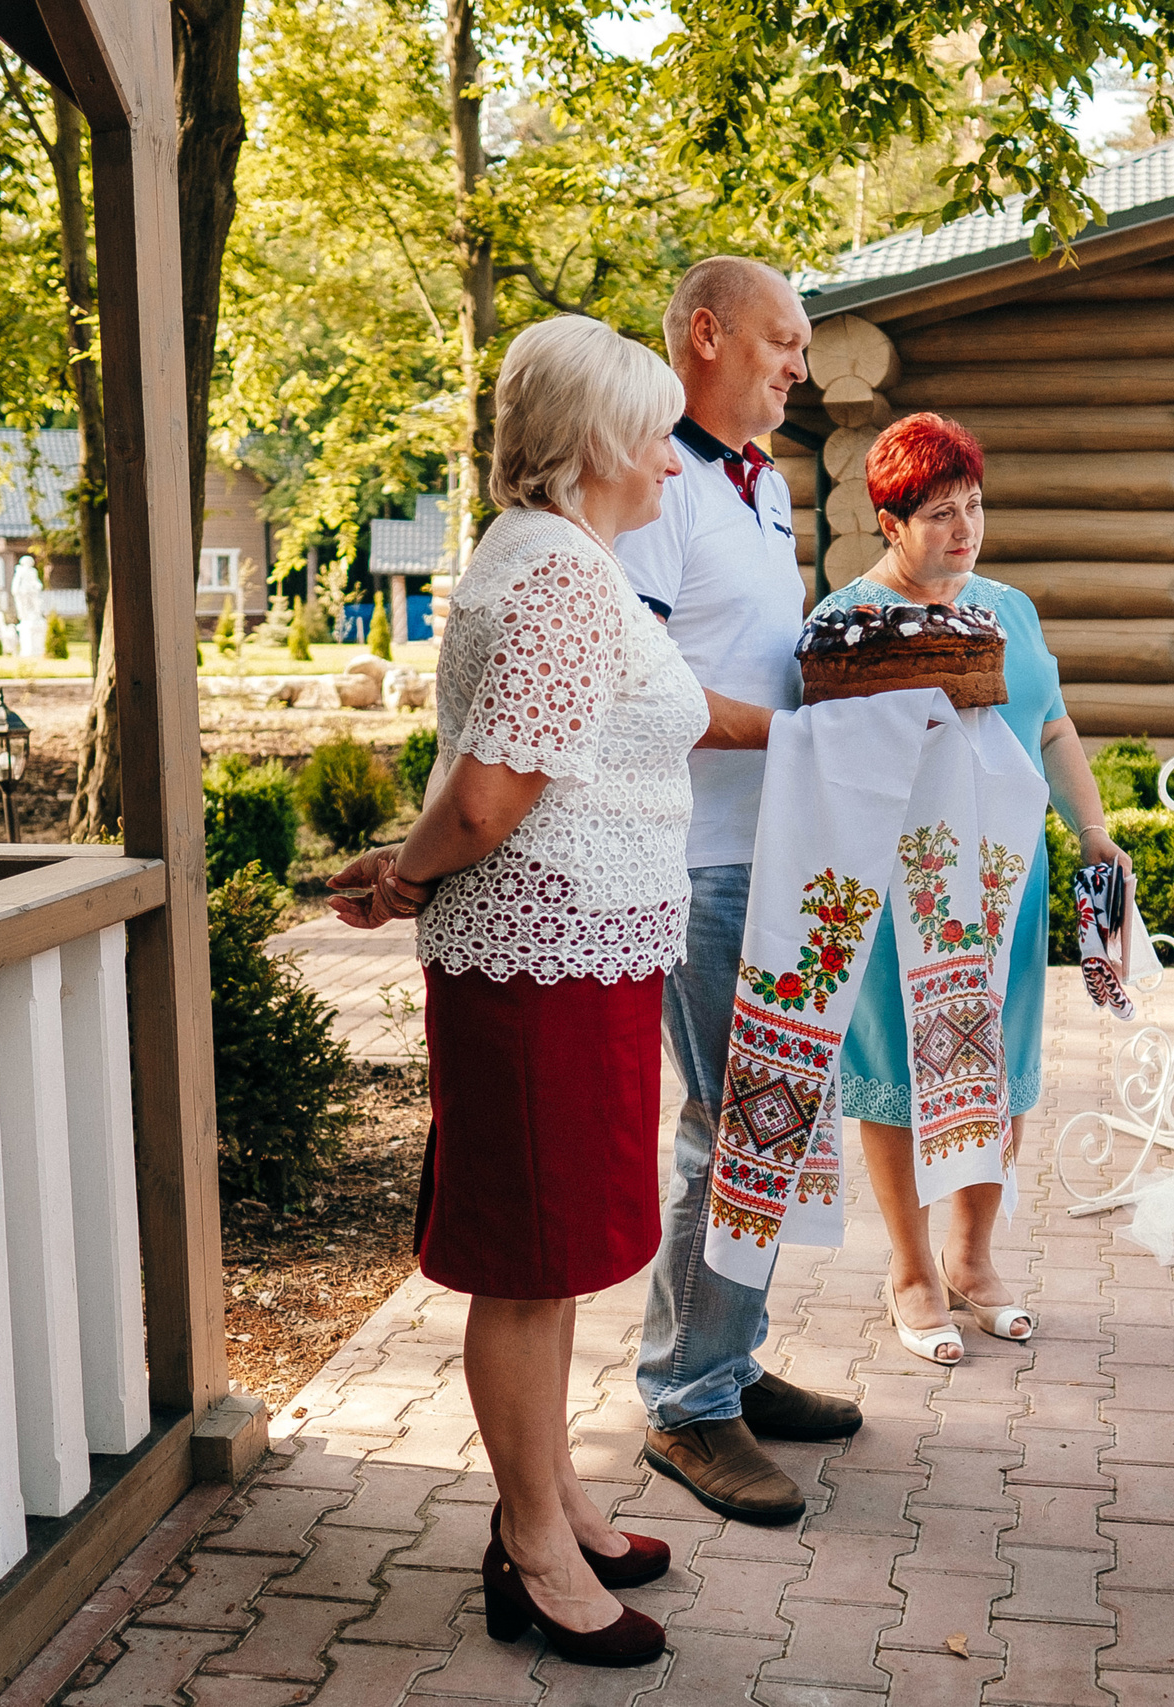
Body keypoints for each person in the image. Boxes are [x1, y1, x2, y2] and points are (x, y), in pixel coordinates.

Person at [327, 314, 770, 1668]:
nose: (674, 464)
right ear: (595, 443)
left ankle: (559, 1498)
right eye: (655, 439)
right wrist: (405, 877)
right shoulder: (564, 576)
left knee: (561, 1250)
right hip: (540, 963)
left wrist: (821, 723)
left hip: (578, 954)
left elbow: (612, 727)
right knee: (527, 1267)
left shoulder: (562, 562)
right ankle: (529, 1544)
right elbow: (487, 796)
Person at [612, 256, 867, 1525]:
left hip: (773, 848)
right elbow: (638, 682)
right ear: (706, 335)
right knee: (730, 1121)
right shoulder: (655, 476)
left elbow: (762, 659)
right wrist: (802, 734)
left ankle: (727, 1356)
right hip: (694, 853)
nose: (800, 367)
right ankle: (685, 1401)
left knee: (776, 1117)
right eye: (784, 341)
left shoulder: (760, 485)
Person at [812, 411, 1128, 1365]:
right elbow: (824, 764)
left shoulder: (1011, 609)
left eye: (975, 506)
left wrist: (1094, 831)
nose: (966, 529)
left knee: (1000, 1065)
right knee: (898, 1073)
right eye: (941, 513)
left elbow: (1053, 726)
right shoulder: (845, 623)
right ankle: (911, 1269)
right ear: (889, 523)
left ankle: (973, 1257)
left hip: (1007, 882)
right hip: (898, 888)